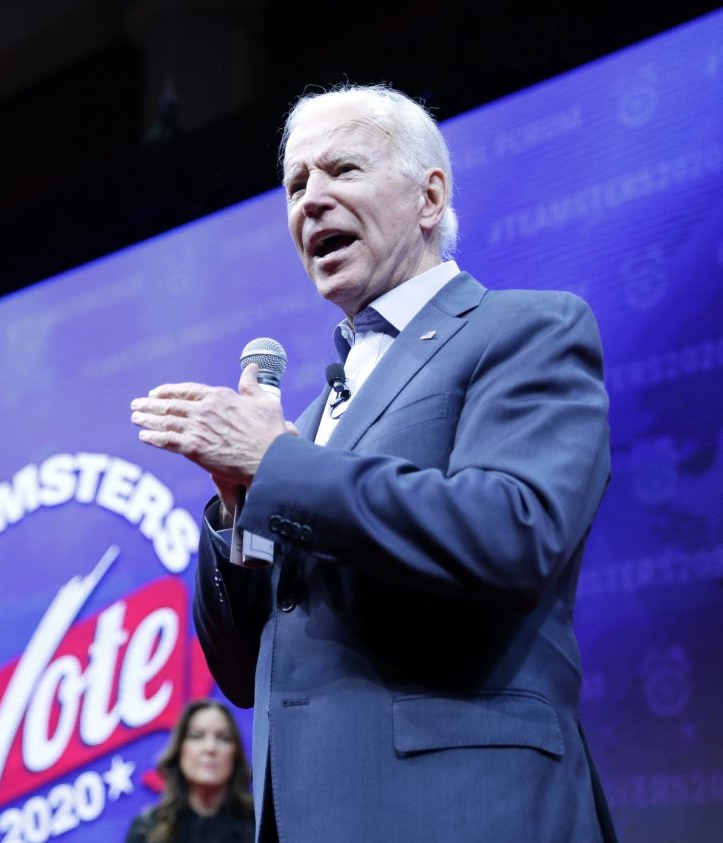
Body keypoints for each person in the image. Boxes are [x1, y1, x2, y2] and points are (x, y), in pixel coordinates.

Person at [130, 83, 617, 842]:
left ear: (430, 197)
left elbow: (514, 531)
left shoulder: (526, 329)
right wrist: (239, 506)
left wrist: (276, 463)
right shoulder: (321, 410)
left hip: (463, 810)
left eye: (342, 170)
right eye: (295, 185)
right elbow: (239, 669)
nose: (310, 201)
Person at [125, 699, 254, 843]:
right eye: (197, 736)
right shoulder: (146, 828)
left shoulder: (261, 824)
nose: (210, 748)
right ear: (179, 750)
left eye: (223, 738)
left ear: (235, 754)